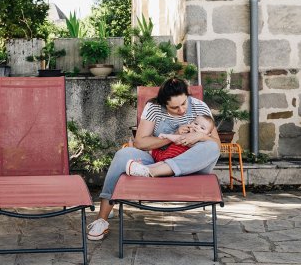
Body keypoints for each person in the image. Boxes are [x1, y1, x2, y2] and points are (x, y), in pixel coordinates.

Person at [87, 78, 221, 241]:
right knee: (123, 154)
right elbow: (140, 142)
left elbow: (216, 145)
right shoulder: (154, 108)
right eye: (174, 107)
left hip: (191, 166)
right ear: (164, 103)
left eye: (184, 103)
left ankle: (153, 172)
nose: (182, 110)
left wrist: (200, 136)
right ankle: (102, 220)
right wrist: (172, 138)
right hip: (159, 158)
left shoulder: (200, 107)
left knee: (211, 147)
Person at [126, 115, 215, 177]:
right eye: (195, 124)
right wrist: (169, 136)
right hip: (166, 153)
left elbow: (180, 139)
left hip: (172, 160)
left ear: (208, 134)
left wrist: (168, 136)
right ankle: (137, 159)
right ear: (190, 123)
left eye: (202, 128)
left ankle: (143, 170)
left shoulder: (199, 143)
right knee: (153, 153)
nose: (197, 127)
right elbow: (178, 138)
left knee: (161, 164)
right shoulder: (186, 134)